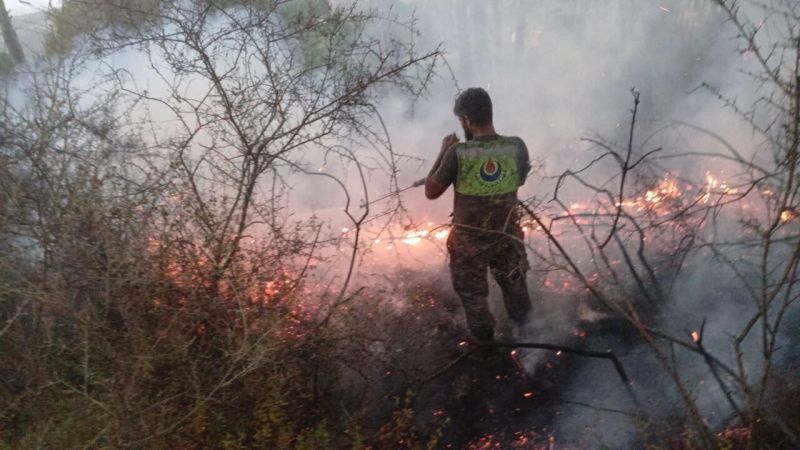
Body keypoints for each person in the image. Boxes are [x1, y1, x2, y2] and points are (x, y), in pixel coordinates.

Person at [425, 87, 532, 343]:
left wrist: (443, 152)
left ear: (466, 120)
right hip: (507, 236)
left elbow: (431, 191)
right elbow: (519, 179)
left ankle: (487, 348)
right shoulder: (516, 146)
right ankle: (530, 344)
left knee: (474, 298)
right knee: (516, 291)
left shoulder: (457, 153)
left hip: (468, 244)